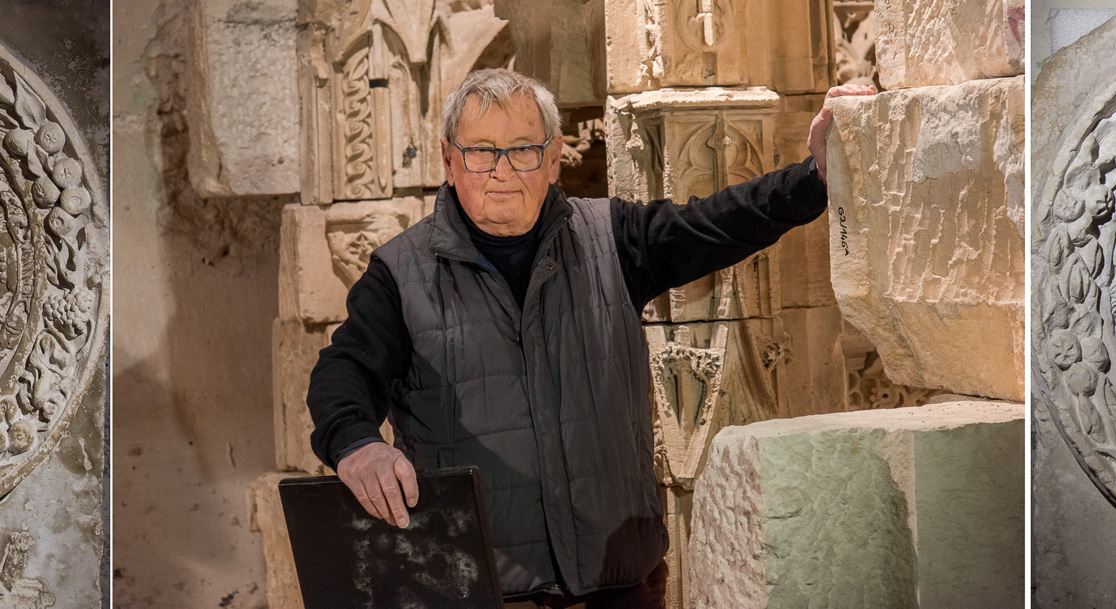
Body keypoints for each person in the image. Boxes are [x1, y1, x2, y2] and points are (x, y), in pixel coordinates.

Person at [306, 68, 876, 607]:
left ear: (554, 159)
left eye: (523, 149)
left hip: (619, 586)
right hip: (482, 592)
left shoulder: (610, 236)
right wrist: (356, 442)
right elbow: (344, 371)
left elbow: (715, 222)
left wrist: (814, 179)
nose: (500, 171)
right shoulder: (400, 274)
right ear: (449, 161)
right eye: (480, 151)